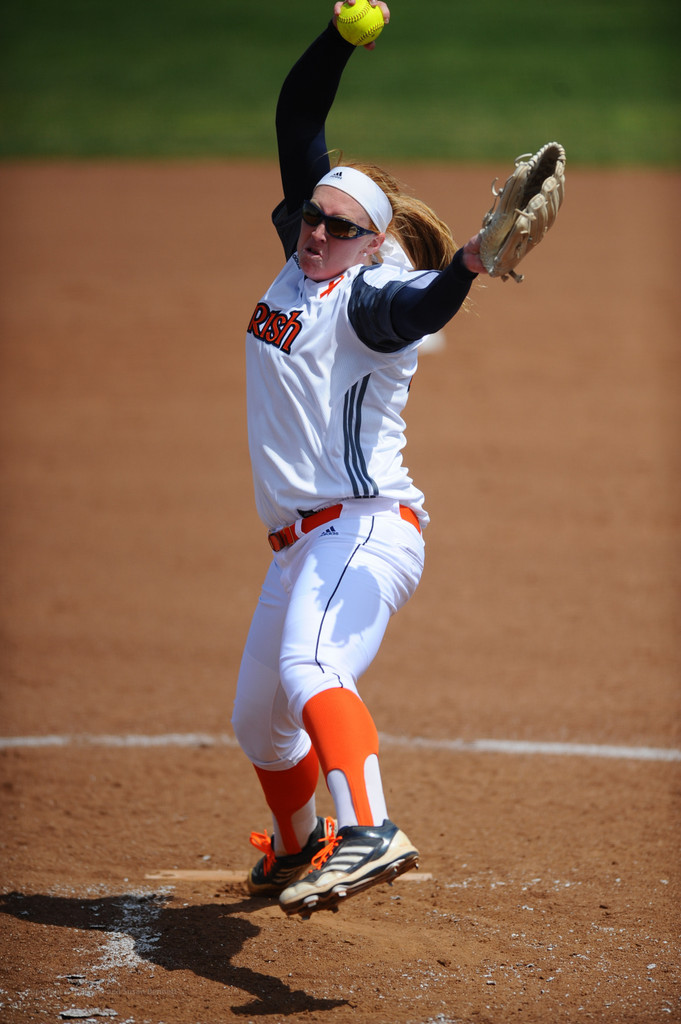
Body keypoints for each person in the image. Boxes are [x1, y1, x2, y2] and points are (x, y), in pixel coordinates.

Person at [231, 0, 487, 919]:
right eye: (311, 214)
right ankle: (299, 847)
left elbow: (418, 312)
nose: (316, 230)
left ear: (372, 243)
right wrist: (340, 37)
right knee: (257, 725)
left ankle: (371, 829)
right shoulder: (301, 260)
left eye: (340, 227)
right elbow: (298, 119)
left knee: (309, 672)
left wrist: (461, 267)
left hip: (365, 528)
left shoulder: (371, 299)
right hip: (300, 542)